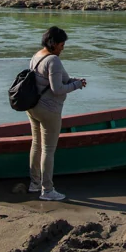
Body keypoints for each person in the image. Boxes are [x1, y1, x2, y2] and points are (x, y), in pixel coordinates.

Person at [26, 26, 86, 201]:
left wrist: (72, 81)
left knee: (36, 145)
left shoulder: (37, 55)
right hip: (49, 110)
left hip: (33, 107)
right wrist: (77, 85)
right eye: (61, 44)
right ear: (54, 43)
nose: (63, 48)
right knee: (48, 150)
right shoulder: (54, 61)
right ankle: (48, 190)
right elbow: (58, 89)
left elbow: (54, 79)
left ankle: (34, 184)